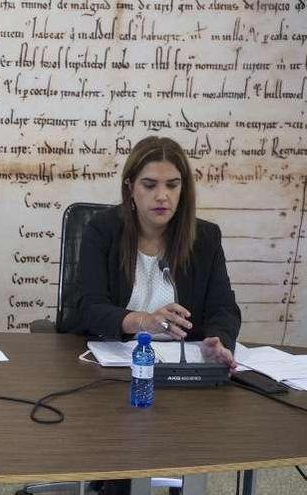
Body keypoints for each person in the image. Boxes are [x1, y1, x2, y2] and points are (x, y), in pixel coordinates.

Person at [72, 136, 241, 495]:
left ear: (184, 190)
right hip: (112, 375)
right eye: (150, 185)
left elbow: (224, 308)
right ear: (130, 188)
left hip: (180, 377)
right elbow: (86, 306)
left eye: (172, 185)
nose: (162, 196)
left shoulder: (205, 238)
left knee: (190, 452)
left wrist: (219, 341)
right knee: (122, 458)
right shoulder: (102, 232)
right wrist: (141, 320)